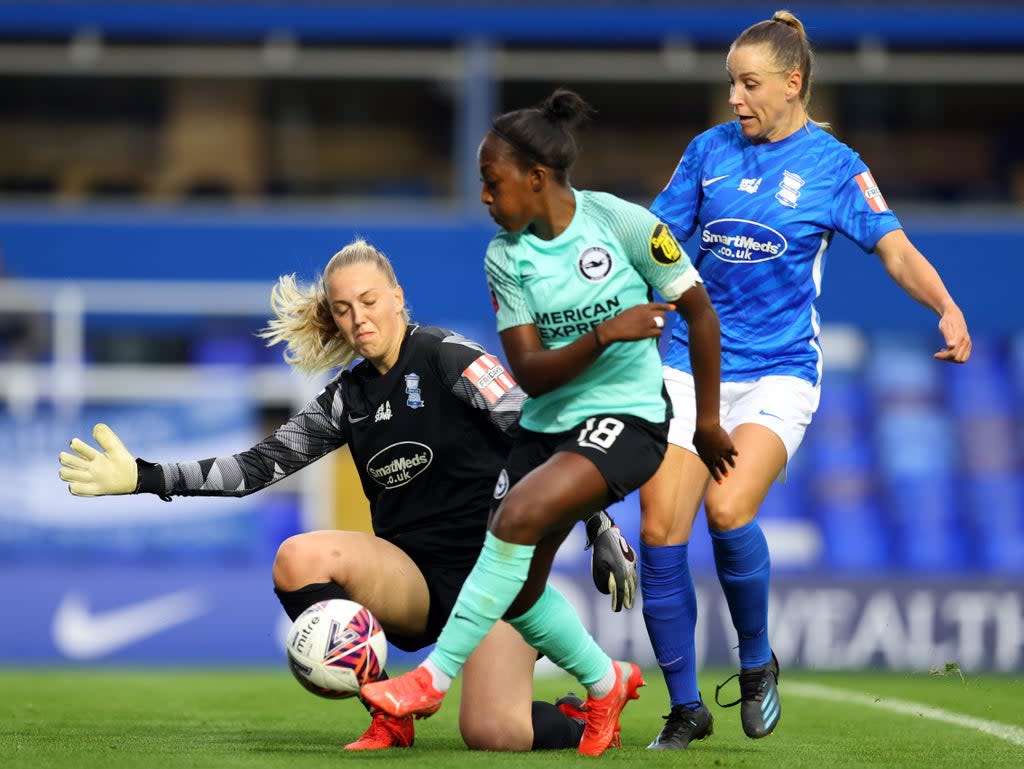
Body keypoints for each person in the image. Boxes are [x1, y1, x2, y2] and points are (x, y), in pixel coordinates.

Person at [56, 238, 637, 753]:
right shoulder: (346, 399)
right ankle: (387, 715)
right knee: (297, 558)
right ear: (332, 319)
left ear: (397, 297)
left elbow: (546, 440)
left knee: (494, 735)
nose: (359, 317)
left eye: (369, 300)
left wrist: (600, 526)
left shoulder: (449, 357)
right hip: (411, 579)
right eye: (342, 308)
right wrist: (146, 476)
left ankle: (572, 713)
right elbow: (256, 468)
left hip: (499, 579)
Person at [361, 88, 736, 757]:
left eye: (490, 180)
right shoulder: (505, 257)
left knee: (515, 517)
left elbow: (700, 313)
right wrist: (606, 331)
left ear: (535, 179)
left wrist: (707, 421)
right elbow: (530, 371)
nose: (483, 195)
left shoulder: (623, 225)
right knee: (516, 587)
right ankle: (606, 680)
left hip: (628, 419)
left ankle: (430, 678)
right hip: (546, 424)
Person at [637, 9, 973, 750]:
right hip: (692, 364)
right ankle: (686, 704)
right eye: (730, 82)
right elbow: (655, 240)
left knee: (726, 509)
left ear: (793, 84)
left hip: (779, 371)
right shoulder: (707, 152)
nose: (734, 97)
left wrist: (946, 305)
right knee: (661, 528)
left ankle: (756, 660)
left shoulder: (835, 166)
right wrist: (634, 291)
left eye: (749, 83)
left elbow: (894, 248)